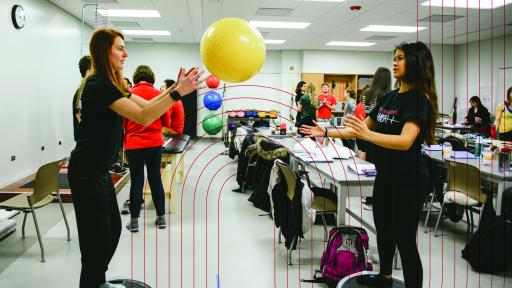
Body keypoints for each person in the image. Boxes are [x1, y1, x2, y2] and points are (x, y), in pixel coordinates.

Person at [68, 27, 203, 288]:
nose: (125, 53)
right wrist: (177, 94)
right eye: (120, 48)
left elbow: (145, 104)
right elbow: (144, 117)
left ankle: (99, 281)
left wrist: (176, 88)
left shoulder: (110, 84)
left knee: (112, 231)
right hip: (86, 172)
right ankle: (93, 283)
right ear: (103, 52)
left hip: (97, 172)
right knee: (96, 242)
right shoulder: (97, 85)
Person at [301, 41, 438, 288]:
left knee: (405, 240)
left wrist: (367, 136)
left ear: (416, 63)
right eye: (394, 58)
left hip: (410, 180)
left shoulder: (418, 100)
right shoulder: (390, 97)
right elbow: (359, 129)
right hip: (385, 176)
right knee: (384, 231)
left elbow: (406, 141)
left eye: (401, 58)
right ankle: (384, 277)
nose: (394, 63)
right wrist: (326, 132)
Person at [124, 65, 170, 232]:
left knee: (136, 181)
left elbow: (122, 122)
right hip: (154, 143)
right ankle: (161, 218)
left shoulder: (128, 95)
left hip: (134, 144)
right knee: (155, 180)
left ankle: (134, 222)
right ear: (152, 78)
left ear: (135, 78)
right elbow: (167, 122)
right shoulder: (159, 95)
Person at [73, 56, 91, 141]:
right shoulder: (83, 91)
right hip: (86, 141)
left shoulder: (85, 90)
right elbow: (79, 115)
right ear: (88, 72)